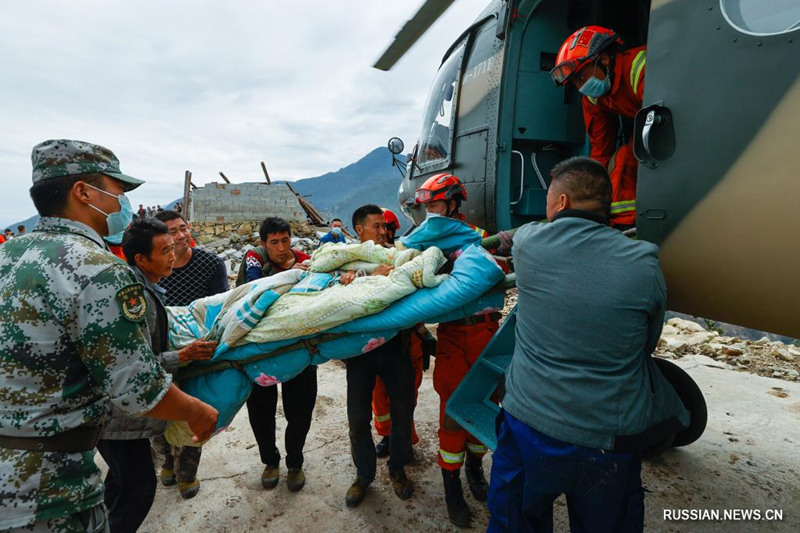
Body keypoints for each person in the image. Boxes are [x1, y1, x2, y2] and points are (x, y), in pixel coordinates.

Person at [0, 139, 218, 532]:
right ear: (83, 192)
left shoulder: (8, 256)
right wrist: (196, 411)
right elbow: (135, 386)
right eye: (117, 191)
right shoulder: (99, 270)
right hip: (48, 489)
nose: (123, 203)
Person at [486, 157, 690, 532]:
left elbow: (507, 243)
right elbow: (646, 343)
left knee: (514, 521)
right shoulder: (644, 261)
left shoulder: (531, 243)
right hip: (608, 436)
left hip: (528, 421)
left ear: (561, 203)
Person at [97, 218, 218, 533]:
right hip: (121, 421)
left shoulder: (147, 287)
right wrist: (181, 356)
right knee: (138, 491)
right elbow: (131, 363)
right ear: (141, 259)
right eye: (165, 251)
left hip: (122, 420)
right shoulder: (135, 296)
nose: (173, 256)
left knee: (120, 483)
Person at [415, 172, 498, 528]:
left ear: (451, 203)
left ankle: (475, 470)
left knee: (485, 405)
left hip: (487, 331)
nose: (429, 212)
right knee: (452, 410)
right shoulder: (426, 241)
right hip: (453, 335)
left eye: (434, 204)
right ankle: (451, 485)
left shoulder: (475, 237)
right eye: (426, 206)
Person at [341, 204, 415, 508]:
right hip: (360, 353)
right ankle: (364, 475)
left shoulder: (396, 254)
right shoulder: (345, 258)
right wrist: (358, 276)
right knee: (358, 418)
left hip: (396, 347)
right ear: (359, 230)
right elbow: (331, 287)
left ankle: (397, 468)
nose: (384, 232)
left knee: (403, 411)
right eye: (377, 226)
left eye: (385, 226)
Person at [152, 209, 229, 499]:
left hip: (199, 348)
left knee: (192, 410)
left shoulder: (210, 263)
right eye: (171, 232)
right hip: (162, 351)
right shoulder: (155, 266)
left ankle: (187, 474)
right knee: (158, 411)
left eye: (182, 228)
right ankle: (167, 464)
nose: (181, 235)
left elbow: (219, 307)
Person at [236, 216, 317, 492]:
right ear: (263, 243)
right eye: (274, 242)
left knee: (300, 411)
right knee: (261, 412)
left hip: (298, 348)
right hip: (261, 352)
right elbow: (255, 290)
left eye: (285, 240)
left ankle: (295, 463)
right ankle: (270, 461)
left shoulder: (307, 259)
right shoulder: (254, 258)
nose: (282, 248)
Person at [550, 25, 646, 230]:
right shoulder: (593, 98)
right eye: (575, 82)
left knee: (625, 162)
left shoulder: (641, 68)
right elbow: (600, 150)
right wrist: (588, 188)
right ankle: (619, 228)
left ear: (603, 60)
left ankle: (624, 229)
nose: (580, 87)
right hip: (649, 129)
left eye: (582, 77)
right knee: (615, 165)